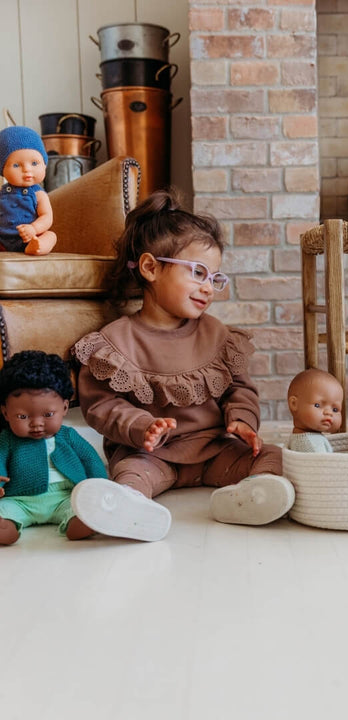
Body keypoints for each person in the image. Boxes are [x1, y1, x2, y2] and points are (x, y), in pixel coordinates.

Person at [69, 189, 295, 542]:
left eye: (215, 279)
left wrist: (241, 420)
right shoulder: (115, 341)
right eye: (198, 273)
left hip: (217, 449)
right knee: (130, 473)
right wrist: (142, 426)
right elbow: (101, 406)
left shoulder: (218, 335)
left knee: (274, 458)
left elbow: (240, 388)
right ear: (150, 267)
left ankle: (247, 498)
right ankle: (129, 510)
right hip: (152, 455)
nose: (208, 288)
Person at [0, 350, 107, 546]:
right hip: (20, 500)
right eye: (23, 417)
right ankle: (7, 528)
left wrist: (102, 486)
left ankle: (80, 523)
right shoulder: (6, 439)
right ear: (5, 413)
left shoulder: (68, 436)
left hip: (66, 497)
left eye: (48, 414)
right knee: (3, 510)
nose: (36, 424)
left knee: (82, 508)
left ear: (65, 408)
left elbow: (90, 460)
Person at [0, 125, 57, 254]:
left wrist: (34, 228)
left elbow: (47, 217)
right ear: (2, 169)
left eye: (34, 163)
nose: (27, 169)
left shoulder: (39, 195)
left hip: (30, 237)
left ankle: (38, 247)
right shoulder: (1, 193)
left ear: (44, 164)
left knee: (51, 236)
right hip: (2, 239)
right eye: (16, 165)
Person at [286, 368, 343, 452]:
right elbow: (324, 465)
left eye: (335, 409)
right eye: (317, 405)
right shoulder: (311, 445)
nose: (329, 413)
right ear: (294, 404)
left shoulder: (307, 438)